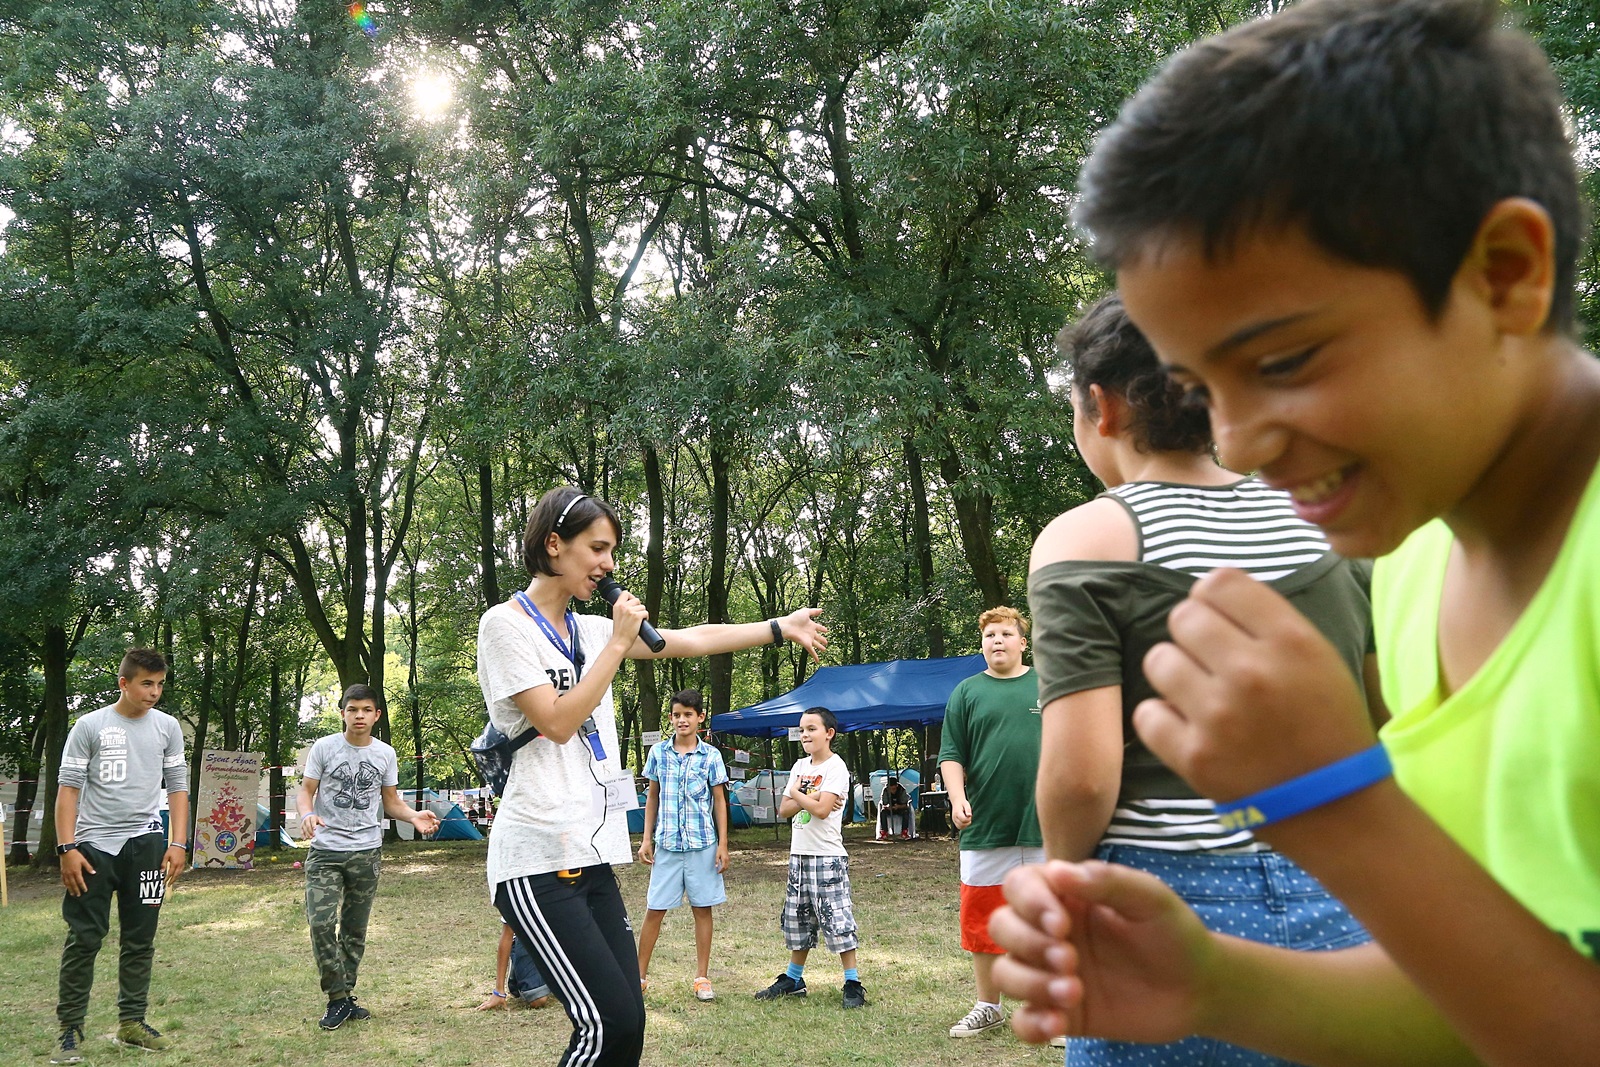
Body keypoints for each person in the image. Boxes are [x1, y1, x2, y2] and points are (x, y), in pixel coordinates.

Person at [989, 1, 1600, 1064]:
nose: (1240, 439)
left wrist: (1334, 800)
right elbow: (1483, 990)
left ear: (1503, 272)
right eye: (1194, 385)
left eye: (1280, 361)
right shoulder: (1410, 556)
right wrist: (1220, 983)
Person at [1028, 294, 1374, 1065]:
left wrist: (1060, 876)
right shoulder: (1324, 517)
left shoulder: (1088, 537)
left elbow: (1084, 778)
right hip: (1345, 892)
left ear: (1101, 405)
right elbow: (1382, 720)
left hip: (1160, 912)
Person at [478, 486, 827, 1067]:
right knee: (606, 1022)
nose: (608, 565)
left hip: (589, 858)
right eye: (597, 548)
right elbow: (559, 722)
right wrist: (617, 641)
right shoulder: (505, 626)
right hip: (535, 861)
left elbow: (690, 639)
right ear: (554, 545)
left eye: (612, 551)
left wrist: (775, 627)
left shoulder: (587, 631)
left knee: (629, 1019)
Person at [51, 648, 189, 1065]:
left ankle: (132, 1023)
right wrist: (66, 848)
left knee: (140, 939)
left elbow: (178, 787)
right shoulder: (89, 725)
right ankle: (70, 1029)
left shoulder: (167, 728)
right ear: (124, 683)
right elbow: (68, 791)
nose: (155, 692)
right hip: (92, 850)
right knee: (85, 939)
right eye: (147, 683)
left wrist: (178, 843)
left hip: (147, 846)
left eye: (160, 684)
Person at [297, 684, 441, 1031]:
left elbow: (390, 802)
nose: (358, 715)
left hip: (366, 852)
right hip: (326, 851)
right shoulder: (324, 748)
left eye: (365, 710)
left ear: (376, 715)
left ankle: (343, 998)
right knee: (320, 924)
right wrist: (306, 816)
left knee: (354, 930)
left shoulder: (385, 754)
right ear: (343, 713)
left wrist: (413, 816)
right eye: (352, 709)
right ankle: (337, 996)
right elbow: (306, 791)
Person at [938, 607, 1047, 1041]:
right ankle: (988, 1006)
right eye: (989, 635)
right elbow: (951, 755)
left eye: (1005, 634)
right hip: (984, 825)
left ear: (1024, 642)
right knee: (982, 918)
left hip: (1045, 825)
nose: (996, 641)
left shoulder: (1049, 684)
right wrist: (957, 797)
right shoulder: (966, 692)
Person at [753, 706, 866, 1009]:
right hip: (799, 857)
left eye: (811, 729)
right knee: (797, 919)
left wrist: (801, 795)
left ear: (829, 733)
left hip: (827, 856)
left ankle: (853, 983)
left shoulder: (836, 767)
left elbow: (820, 810)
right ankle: (794, 979)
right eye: (802, 730)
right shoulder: (800, 765)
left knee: (837, 919)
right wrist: (812, 797)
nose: (804, 735)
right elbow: (784, 809)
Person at [635, 688, 730, 1001]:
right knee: (655, 909)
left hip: (702, 844)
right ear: (671, 719)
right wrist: (646, 838)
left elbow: (719, 800)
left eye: (688, 714)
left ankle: (702, 977)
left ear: (700, 717)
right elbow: (652, 796)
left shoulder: (711, 756)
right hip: (667, 846)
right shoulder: (659, 754)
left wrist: (723, 844)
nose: (682, 720)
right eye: (677, 715)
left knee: (702, 909)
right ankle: (639, 977)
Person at [475, 922, 553, 1010]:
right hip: (530, 934)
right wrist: (499, 991)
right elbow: (507, 934)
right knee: (538, 1000)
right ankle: (517, 960)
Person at [875, 775, 913, 840]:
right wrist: (888, 806)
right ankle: (884, 831)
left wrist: (899, 806)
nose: (893, 791)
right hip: (889, 809)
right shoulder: (885, 791)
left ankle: (904, 831)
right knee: (883, 812)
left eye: (894, 789)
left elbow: (905, 804)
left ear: (896, 786)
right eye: (891, 789)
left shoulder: (902, 790)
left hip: (900, 808)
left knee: (906, 812)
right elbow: (884, 803)